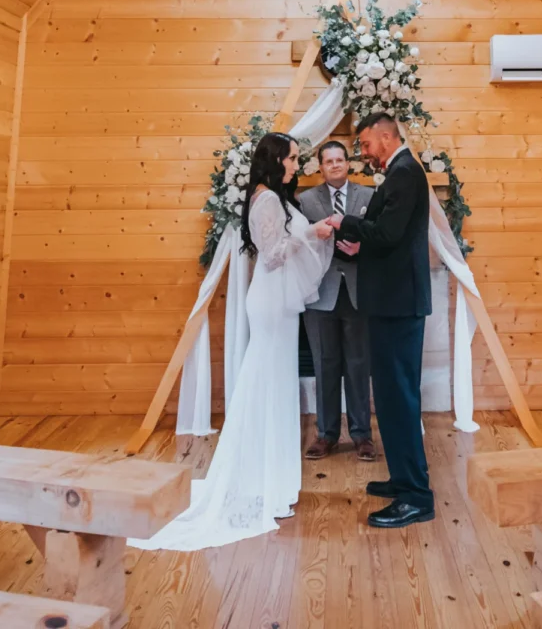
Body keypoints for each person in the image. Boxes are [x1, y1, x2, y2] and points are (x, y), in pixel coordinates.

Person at [129, 132, 335, 552]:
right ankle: (255, 481)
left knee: (275, 388)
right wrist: (310, 233)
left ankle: (270, 482)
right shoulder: (268, 200)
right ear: (276, 160)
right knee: (264, 387)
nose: (298, 165)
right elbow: (273, 253)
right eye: (293, 159)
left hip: (275, 300)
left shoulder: (268, 197)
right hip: (270, 301)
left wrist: (311, 232)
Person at [327, 112, 435, 529]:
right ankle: (404, 479)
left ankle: (416, 497)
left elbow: (387, 234)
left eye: (367, 145)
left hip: (399, 304)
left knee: (400, 399)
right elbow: (391, 239)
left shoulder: (406, 173)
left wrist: (344, 222)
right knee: (389, 398)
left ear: (387, 137)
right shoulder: (399, 173)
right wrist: (361, 249)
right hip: (392, 301)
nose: (364, 154)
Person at [296, 141, 376, 462]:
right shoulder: (305, 201)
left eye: (339, 159)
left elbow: (380, 239)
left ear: (348, 163)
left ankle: (362, 435)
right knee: (324, 364)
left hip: (358, 292)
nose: (334, 165)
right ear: (320, 167)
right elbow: (298, 245)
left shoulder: (369, 197)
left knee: (358, 364)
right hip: (319, 293)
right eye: (328, 161)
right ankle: (326, 434)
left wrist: (363, 250)